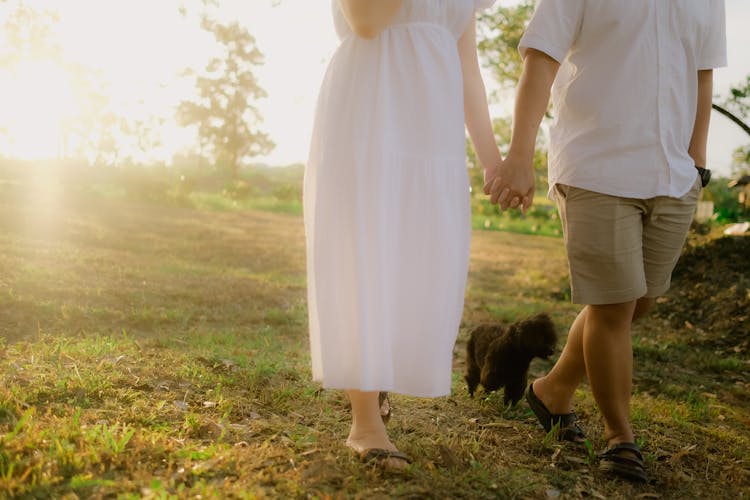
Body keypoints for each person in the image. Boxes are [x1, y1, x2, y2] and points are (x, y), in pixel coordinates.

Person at [486, 0, 727, 483]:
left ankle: (552, 390)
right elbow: (541, 58)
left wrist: (697, 162)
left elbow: (702, 72)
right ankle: (621, 439)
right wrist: (519, 155)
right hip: (597, 165)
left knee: (637, 302)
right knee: (614, 306)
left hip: (674, 174)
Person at [304, 0, 500, 470]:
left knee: (419, 257)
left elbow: (467, 65)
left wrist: (495, 160)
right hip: (371, 108)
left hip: (433, 126)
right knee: (366, 249)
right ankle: (365, 422)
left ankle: (380, 371)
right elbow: (365, 21)